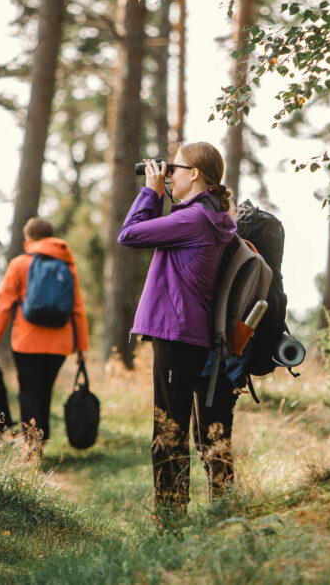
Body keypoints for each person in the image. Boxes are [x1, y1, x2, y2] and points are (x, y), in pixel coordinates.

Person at [117, 141, 238, 521]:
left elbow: (130, 234)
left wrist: (149, 192)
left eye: (175, 167)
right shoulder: (204, 215)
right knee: (174, 423)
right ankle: (188, 510)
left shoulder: (195, 219)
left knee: (168, 427)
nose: (169, 175)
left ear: (195, 174)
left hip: (177, 332)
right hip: (187, 333)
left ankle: (170, 516)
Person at [0, 217, 90, 448]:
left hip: (26, 342)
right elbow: (78, 309)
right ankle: (41, 441)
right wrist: (82, 346)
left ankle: (32, 445)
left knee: (29, 392)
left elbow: (2, 308)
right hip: (59, 344)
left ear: (28, 238)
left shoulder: (20, 264)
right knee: (44, 392)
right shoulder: (67, 266)